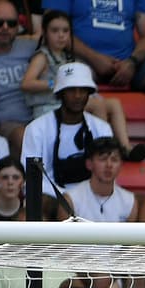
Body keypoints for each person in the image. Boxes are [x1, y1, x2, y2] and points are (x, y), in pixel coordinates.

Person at [21, 10, 143, 160]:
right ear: (45, 33)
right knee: (98, 105)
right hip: (49, 105)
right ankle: (102, 149)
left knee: (114, 103)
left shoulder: (69, 57)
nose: (61, 35)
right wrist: (56, 83)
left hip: (68, 101)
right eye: (55, 31)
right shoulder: (42, 56)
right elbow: (26, 83)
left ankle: (126, 148)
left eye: (65, 31)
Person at [20, 61, 112, 194]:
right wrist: (66, 198)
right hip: (51, 197)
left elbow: (107, 173)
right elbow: (32, 178)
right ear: (60, 94)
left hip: (91, 197)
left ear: (89, 93)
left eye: (83, 90)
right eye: (71, 90)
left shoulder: (102, 128)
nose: (77, 96)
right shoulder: (36, 129)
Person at [42, 0, 145, 92]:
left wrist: (132, 62)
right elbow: (52, 29)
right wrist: (94, 58)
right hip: (81, 59)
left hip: (129, 62)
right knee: (73, 74)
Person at [0, 0, 37, 155]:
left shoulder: (31, 46)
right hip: (3, 124)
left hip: (39, 116)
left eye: (12, 23)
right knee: (25, 138)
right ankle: (36, 180)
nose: (5, 28)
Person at [65, 137, 137, 222]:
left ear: (121, 165)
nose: (109, 165)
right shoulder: (71, 200)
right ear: (89, 164)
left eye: (114, 160)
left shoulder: (129, 201)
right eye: (103, 159)